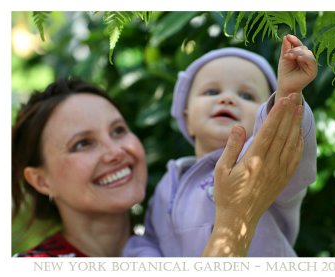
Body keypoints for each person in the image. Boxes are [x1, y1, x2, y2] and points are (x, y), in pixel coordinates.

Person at [12, 77, 304, 257]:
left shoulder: (167, 243)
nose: (116, 152)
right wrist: (237, 219)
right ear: (41, 180)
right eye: (83, 144)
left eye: (118, 130)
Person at [124, 34, 317, 257]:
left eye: (246, 95)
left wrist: (288, 96)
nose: (227, 99)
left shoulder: (261, 163)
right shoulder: (169, 184)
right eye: (212, 92)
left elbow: (286, 143)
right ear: (185, 116)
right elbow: (150, 241)